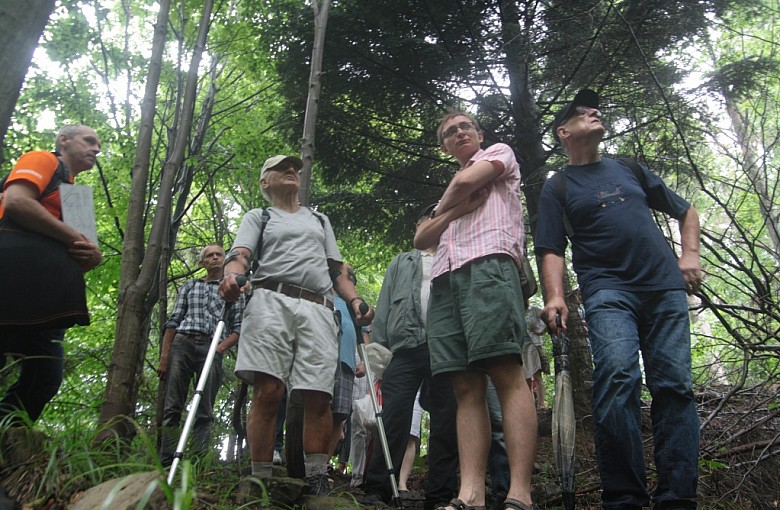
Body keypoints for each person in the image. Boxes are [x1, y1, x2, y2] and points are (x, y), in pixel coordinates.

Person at [536, 89, 703, 509]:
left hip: (664, 288)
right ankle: (625, 497)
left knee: (675, 387)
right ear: (564, 132)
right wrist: (555, 296)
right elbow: (551, 248)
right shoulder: (557, 187)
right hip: (608, 291)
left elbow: (685, 211)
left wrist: (690, 255)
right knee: (617, 379)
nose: (593, 112)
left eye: (595, 109)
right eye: (581, 113)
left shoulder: (629, 168)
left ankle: (677, 497)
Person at [219, 154, 373, 495]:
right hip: (269, 300)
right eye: (281, 168)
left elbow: (336, 270)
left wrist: (355, 299)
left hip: (318, 307)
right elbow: (240, 254)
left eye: (295, 169)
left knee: (318, 394)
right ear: (265, 182)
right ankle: (260, 477)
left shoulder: (319, 220)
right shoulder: (259, 216)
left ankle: (316, 479)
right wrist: (231, 275)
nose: (292, 171)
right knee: (269, 390)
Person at [414, 111, 538, 510]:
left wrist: (452, 201)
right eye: (449, 133)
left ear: (479, 134)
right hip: (445, 280)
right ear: (445, 147)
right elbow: (421, 238)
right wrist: (456, 210)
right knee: (464, 385)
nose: (459, 133)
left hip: (490, 264)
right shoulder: (449, 197)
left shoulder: (499, 153)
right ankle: (471, 495)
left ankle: (520, 492)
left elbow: (468, 180)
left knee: (505, 370)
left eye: (465, 127)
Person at [0, 125, 102, 425]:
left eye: (98, 145)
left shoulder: (76, 196)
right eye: (89, 141)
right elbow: (17, 201)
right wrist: (74, 238)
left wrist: (92, 255)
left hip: (46, 299)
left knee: (45, 374)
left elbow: (82, 253)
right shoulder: (42, 159)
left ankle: (9, 434)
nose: (96, 149)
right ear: (64, 140)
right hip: (11, 280)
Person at [363, 205, 459, 510]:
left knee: (446, 420)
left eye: (439, 215)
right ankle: (378, 486)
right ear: (418, 226)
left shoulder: (454, 255)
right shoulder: (400, 262)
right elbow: (385, 302)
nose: (435, 218)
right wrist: (378, 353)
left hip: (445, 348)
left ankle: (440, 495)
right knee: (394, 416)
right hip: (404, 349)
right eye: (429, 215)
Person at [156, 244, 244, 466]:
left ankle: (196, 462)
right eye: (209, 256)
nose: (214, 258)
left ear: (225, 260)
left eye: (218, 255)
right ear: (202, 262)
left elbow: (239, 328)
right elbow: (174, 320)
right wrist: (165, 356)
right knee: (172, 405)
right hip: (182, 344)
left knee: (204, 409)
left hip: (212, 347)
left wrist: (220, 349)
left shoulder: (233, 290)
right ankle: (166, 461)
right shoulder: (190, 286)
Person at [523, 306, 547, 409]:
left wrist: (542, 331)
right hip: (522, 347)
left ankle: (541, 404)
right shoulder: (517, 310)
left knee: (537, 375)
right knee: (526, 377)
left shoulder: (535, 310)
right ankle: (530, 406)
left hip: (535, 345)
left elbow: (549, 316)